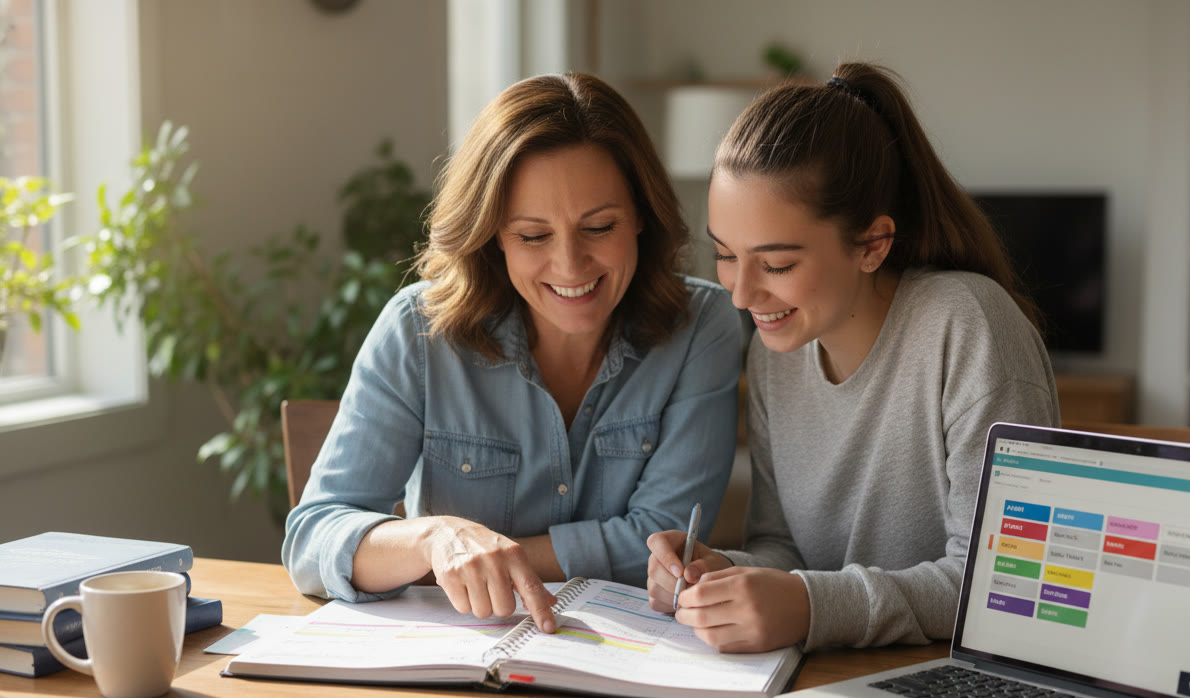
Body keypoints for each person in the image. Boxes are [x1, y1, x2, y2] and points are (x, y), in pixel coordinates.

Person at [284, 73, 742, 634]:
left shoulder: (703, 326)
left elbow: (665, 541)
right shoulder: (417, 330)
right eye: (532, 236)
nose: (571, 265)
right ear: (492, 235)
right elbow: (311, 540)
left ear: (643, 215)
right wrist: (436, 540)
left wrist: (487, 562)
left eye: (599, 226)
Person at [646, 62, 1060, 653]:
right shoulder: (776, 354)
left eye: (778, 265)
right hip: (824, 684)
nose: (741, 295)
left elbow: (1007, 583)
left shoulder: (968, 326)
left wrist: (811, 607)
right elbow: (783, 550)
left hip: (956, 685)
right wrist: (719, 574)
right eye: (726, 255)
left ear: (872, 244)